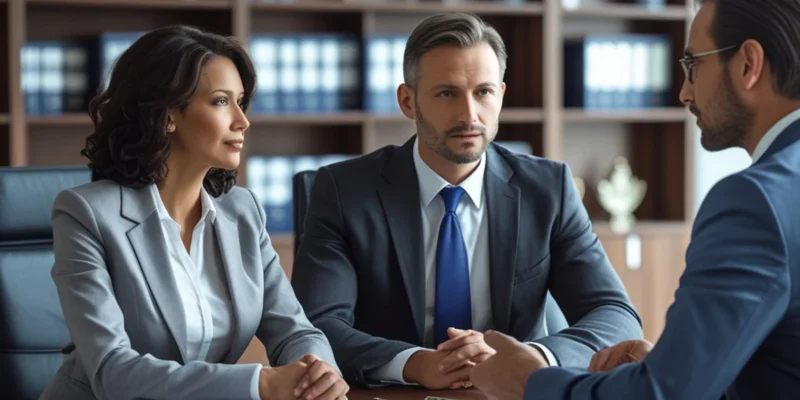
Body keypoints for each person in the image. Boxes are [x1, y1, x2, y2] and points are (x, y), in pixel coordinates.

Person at [290, 12, 642, 390]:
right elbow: (317, 325)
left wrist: (533, 359)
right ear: (408, 101)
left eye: (483, 92)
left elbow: (615, 314)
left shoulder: (548, 189)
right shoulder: (343, 191)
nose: (469, 115)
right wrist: (416, 363)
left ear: (501, 96)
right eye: (447, 93)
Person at [469, 1, 800, 399]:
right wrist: (666, 365)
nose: (684, 92)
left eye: (693, 65)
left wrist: (529, 382)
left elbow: (663, 394)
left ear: (748, 64)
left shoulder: (755, 201)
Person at [38, 25, 349, 400]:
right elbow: (113, 372)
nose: (242, 120)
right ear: (167, 116)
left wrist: (318, 374)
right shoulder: (86, 214)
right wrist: (261, 383)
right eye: (220, 101)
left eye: (241, 101)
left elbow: (295, 331)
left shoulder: (243, 212)